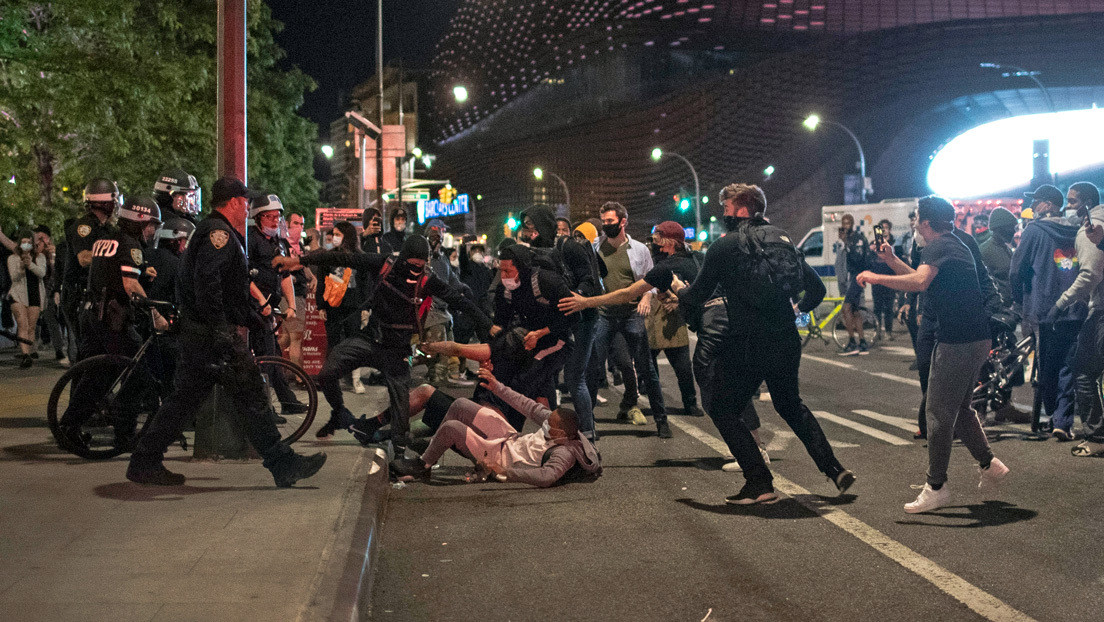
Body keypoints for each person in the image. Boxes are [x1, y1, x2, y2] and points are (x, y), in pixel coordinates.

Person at [127, 177, 326, 487]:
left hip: (204, 333)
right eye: (244, 202)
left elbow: (229, 289)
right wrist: (222, 327)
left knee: (184, 401)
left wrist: (254, 318)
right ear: (233, 202)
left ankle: (144, 460)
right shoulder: (218, 233)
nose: (246, 208)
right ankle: (281, 462)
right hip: (211, 335)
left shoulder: (219, 232)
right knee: (250, 393)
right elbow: (208, 283)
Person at [671, 183, 853, 504]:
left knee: (722, 408)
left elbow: (698, 295)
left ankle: (759, 482)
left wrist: (679, 291)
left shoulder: (725, 246)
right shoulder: (781, 240)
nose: (723, 215)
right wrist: (797, 309)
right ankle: (834, 468)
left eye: (726, 209)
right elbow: (816, 292)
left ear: (741, 210)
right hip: (785, 337)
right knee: (790, 405)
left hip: (748, 342)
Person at [856, 196, 1009, 513]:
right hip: (974, 337)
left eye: (916, 218)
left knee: (938, 414)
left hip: (957, 340)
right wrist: (893, 262)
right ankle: (989, 464)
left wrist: (875, 277)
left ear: (926, 222)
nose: (913, 222)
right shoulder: (952, 244)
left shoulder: (938, 246)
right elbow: (925, 280)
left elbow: (920, 281)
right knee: (960, 410)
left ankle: (936, 486)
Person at [275, 235, 492, 446]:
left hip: (398, 350)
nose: (415, 270)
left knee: (400, 411)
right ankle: (340, 413)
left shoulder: (428, 280)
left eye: (421, 265)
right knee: (327, 373)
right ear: (403, 258)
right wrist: (298, 261)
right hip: (370, 338)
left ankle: (399, 452)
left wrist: (489, 325)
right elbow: (342, 258)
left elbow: (461, 301)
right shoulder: (384, 263)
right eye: (411, 264)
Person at [560, 220, 699, 425]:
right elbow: (694, 292)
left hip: (708, 325)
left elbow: (628, 292)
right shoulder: (693, 259)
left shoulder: (666, 265)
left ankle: (663, 418)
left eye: (657, 241)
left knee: (662, 369)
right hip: (711, 322)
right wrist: (678, 296)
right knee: (619, 366)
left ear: (669, 242)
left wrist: (586, 302)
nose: (654, 245)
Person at [58, 196, 169, 448]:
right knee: (141, 373)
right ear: (140, 222)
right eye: (151, 224)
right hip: (113, 318)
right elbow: (129, 285)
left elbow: (111, 273)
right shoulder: (130, 244)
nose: (152, 231)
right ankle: (124, 430)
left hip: (92, 315)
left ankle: (69, 426)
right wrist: (156, 315)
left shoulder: (105, 240)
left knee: (95, 376)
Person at [389, 366, 601, 487]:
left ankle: (422, 465)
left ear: (561, 434)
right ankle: (431, 454)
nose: (546, 423)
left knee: (452, 428)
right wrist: (497, 387)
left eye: (550, 426)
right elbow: (526, 405)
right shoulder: (554, 420)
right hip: (510, 438)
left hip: (500, 458)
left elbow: (547, 476)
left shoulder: (565, 452)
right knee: (461, 405)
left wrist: (506, 472)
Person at [1010, 183, 1085, 438]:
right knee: (1068, 365)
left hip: (1043, 309)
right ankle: (1062, 422)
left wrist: (1018, 300)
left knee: (1046, 365)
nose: (1032, 206)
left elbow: (1015, 270)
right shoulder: (1078, 230)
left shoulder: (1034, 231)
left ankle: (1052, 413)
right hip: (1076, 308)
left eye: (1037, 201)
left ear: (1050, 205)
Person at [589, 202, 667, 434]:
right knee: (594, 368)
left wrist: (646, 298)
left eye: (610, 221)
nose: (605, 226)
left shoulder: (640, 249)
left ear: (623, 222)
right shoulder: (594, 247)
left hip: (631, 315)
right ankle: (587, 422)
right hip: (604, 315)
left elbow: (651, 281)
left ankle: (661, 421)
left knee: (645, 367)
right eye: (603, 221)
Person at [491, 244, 576, 431]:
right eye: (501, 271)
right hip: (530, 342)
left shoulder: (546, 281)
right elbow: (500, 323)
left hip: (557, 342)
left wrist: (542, 332)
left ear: (521, 267)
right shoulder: (504, 290)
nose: (504, 276)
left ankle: (512, 433)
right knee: (539, 387)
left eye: (508, 270)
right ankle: (555, 433)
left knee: (523, 382)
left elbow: (572, 316)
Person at [1050, 182, 1102, 442]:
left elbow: (1090, 275)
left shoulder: (1088, 231)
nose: (1067, 207)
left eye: (1072, 202)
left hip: (1102, 310)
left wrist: (1061, 304)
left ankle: (1095, 437)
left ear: (1088, 203)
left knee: (1083, 370)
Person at [247, 193, 308, 416]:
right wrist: (261, 301)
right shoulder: (250, 240)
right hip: (254, 305)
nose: (274, 221)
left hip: (268, 305)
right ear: (258, 218)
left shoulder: (278, 242)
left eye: (277, 217)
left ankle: (285, 401)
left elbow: (284, 276)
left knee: (273, 354)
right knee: (266, 356)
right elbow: (246, 276)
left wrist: (291, 305)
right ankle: (268, 408)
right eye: (269, 217)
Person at [61, 179, 119, 361]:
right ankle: (82, 387)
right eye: (114, 202)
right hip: (79, 296)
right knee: (85, 351)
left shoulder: (106, 229)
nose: (116, 206)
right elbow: (84, 258)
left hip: (95, 296)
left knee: (98, 350)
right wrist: (112, 257)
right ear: (105, 203)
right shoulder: (83, 227)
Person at [422, 219, 468, 386]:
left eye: (441, 233)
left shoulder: (442, 259)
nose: (439, 236)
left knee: (448, 347)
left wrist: (463, 288)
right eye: (436, 234)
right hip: (430, 311)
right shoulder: (424, 257)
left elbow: (452, 280)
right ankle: (435, 383)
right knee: (436, 350)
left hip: (443, 311)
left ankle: (440, 380)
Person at [7, 232, 47, 367]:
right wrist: (22, 267)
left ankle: (29, 352)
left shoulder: (40, 257)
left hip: (35, 294)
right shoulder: (13, 258)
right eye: (23, 242)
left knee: (31, 326)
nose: (26, 245)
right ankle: (25, 355)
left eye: (29, 242)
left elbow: (42, 273)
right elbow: (14, 277)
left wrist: (30, 264)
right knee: (22, 324)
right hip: (17, 295)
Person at [33, 226, 68, 366]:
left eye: (42, 238)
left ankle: (62, 349)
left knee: (56, 319)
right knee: (45, 319)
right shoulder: (37, 254)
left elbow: (57, 272)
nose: (40, 242)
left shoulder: (55, 252)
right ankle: (53, 348)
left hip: (54, 290)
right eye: (38, 239)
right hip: (42, 290)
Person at [837, 213, 871, 355]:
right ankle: (862, 341)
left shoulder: (857, 239)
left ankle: (852, 342)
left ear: (852, 223)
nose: (845, 226)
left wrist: (846, 243)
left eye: (848, 223)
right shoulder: (847, 240)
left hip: (857, 278)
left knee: (846, 309)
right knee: (855, 311)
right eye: (843, 223)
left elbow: (858, 259)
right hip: (851, 278)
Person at [978, 207, 1018, 309]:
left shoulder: (1006, 249)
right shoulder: (985, 251)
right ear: (1000, 228)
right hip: (996, 310)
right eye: (1011, 227)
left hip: (1008, 308)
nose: (1014, 231)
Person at [153, 168, 202, 243]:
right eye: (186, 195)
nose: (191, 201)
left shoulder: (184, 218)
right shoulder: (166, 220)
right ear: (171, 195)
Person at [869, 219, 898, 341]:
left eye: (886, 227)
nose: (884, 230)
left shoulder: (894, 242)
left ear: (890, 229)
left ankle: (888, 331)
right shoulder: (873, 243)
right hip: (877, 280)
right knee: (877, 307)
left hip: (890, 279)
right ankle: (877, 331)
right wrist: (871, 249)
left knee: (889, 308)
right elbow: (868, 260)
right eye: (882, 228)